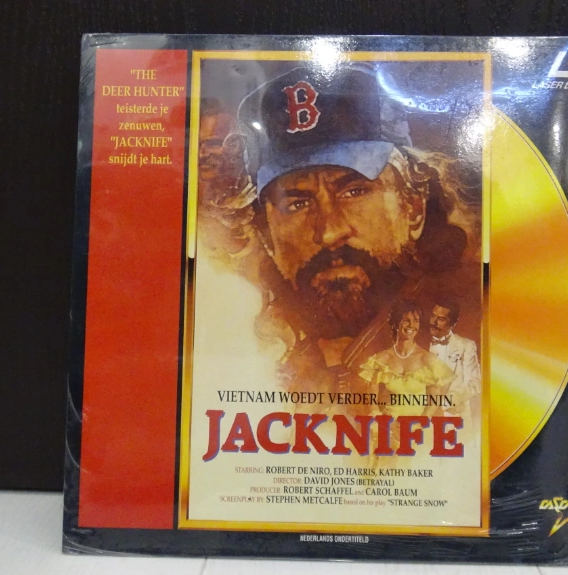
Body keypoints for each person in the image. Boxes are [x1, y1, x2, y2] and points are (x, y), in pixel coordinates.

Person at [198, 65, 482, 410]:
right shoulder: (259, 359)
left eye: (354, 192)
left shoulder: (483, 339)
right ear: (267, 236)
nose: (329, 231)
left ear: (413, 207)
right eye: (297, 203)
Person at [358, 301, 455, 419]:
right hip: (388, 424)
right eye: (405, 320)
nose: (411, 325)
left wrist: (421, 422)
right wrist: (382, 421)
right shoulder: (381, 359)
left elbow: (434, 401)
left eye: (416, 321)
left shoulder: (427, 360)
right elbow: (372, 402)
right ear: (395, 323)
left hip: (417, 426)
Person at [427, 297, 482, 432]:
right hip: (422, 421)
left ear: (453, 323)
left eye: (441, 319)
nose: (433, 322)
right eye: (433, 316)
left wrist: (443, 404)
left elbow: (474, 383)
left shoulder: (466, 346)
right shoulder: (417, 344)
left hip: (454, 420)